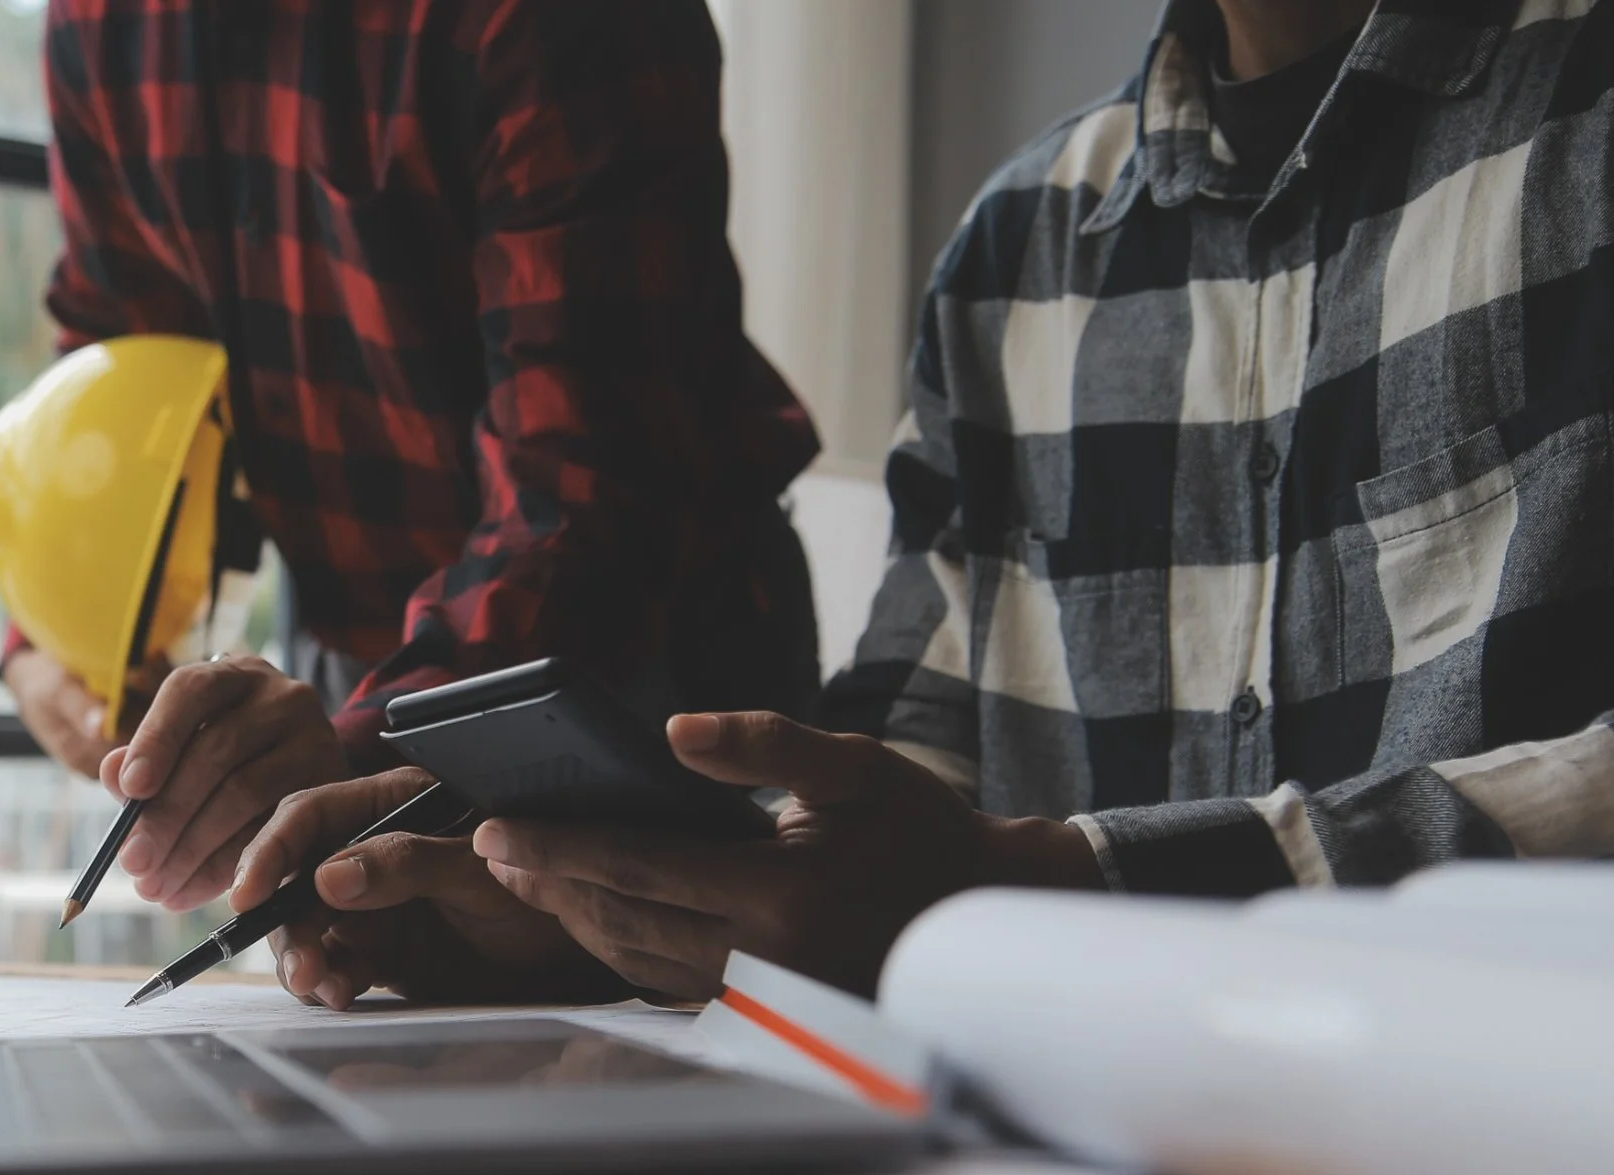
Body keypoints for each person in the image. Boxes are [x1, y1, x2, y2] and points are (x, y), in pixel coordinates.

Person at [238, 0, 1614, 1007]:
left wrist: (1057, 879)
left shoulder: (1582, 123)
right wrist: (571, 908)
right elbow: (902, 776)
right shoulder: (1016, 252)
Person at [5, 0, 824, 913]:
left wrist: (348, 748)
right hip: (345, 666)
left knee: (670, 1037)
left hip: (642, 658)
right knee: (356, 1034)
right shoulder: (98, 20)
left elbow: (586, 493)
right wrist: (50, 641)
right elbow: (115, 355)